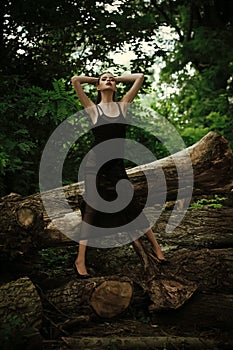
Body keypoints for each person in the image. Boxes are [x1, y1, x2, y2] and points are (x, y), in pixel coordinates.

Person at [71, 72, 166, 278]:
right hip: (95, 166)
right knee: (91, 210)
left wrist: (115, 78)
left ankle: (158, 249)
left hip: (116, 166)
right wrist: (97, 79)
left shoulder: (123, 105)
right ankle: (80, 260)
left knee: (131, 204)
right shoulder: (93, 109)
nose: (109, 80)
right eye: (105, 79)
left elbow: (139, 77)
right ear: (98, 87)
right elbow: (75, 81)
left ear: (116, 87)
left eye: (112, 80)